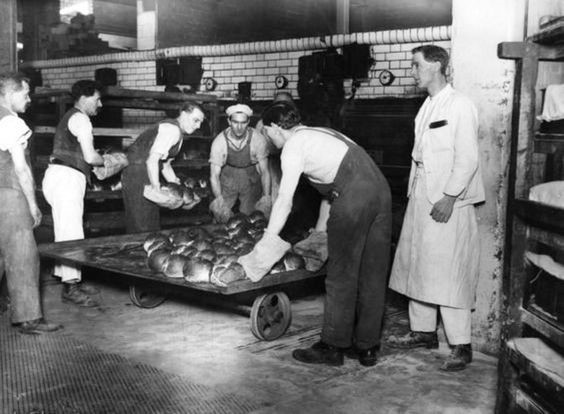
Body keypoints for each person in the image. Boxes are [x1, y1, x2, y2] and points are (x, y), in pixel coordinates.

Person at [242, 102, 392, 367]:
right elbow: (332, 190)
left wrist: (269, 239)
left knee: (341, 274)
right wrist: (322, 229)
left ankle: (332, 346)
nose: (268, 139)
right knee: (373, 272)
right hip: (381, 193)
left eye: (266, 132)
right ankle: (367, 348)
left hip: (354, 197)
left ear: (276, 127)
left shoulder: (293, 146)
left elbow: (284, 200)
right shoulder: (322, 133)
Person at [387, 45, 485, 372]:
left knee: (448, 269)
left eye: (416, 65)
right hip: (421, 195)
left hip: (447, 201)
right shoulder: (427, 105)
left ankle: (461, 345)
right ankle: (423, 332)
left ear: (437, 65)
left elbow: (468, 158)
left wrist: (450, 196)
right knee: (417, 262)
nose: (412, 71)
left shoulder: (460, 105)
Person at [0, 71, 62, 334]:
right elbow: (22, 169)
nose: (29, 100)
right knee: (23, 255)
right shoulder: (12, 122)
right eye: (25, 94)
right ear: (11, 93)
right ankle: (28, 318)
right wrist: (33, 204)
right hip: (9, 194)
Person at [42, 80, 105, 308]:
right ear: (85, 97)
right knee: (71, 234)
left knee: (65, 231)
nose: (100, 104)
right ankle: (71, 288)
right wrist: (106, 161)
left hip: (58, 176)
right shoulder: (81, 118)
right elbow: (90, 156)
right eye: (97, 99)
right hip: (67, 178)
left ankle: (71, 278)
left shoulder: (70, 116)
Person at [122, 101, 205, 233]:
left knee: (150, 220)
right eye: (196, 120)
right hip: (137, 174)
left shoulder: (178, 133)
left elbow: (165, 165)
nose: (198, 126)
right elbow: (152, 160)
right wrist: (157, 189)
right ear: (183, 114)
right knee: (141, 223)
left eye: (200, 122)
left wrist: (178, 187)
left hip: (145, 172)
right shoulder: (171, 130)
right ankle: (137, 251)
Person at [209, 104, 271, 222]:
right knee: (220, 217)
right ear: (229, 121)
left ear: (248, 122)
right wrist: (219, 200)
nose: (239, 127)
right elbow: (214, 175)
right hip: (228, 176)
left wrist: (266, 197)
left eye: (243, 123)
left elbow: (264, 171)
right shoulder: (219, 142)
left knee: (251, 218)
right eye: (235, 122)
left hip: (250, 177)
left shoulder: (258, 139)